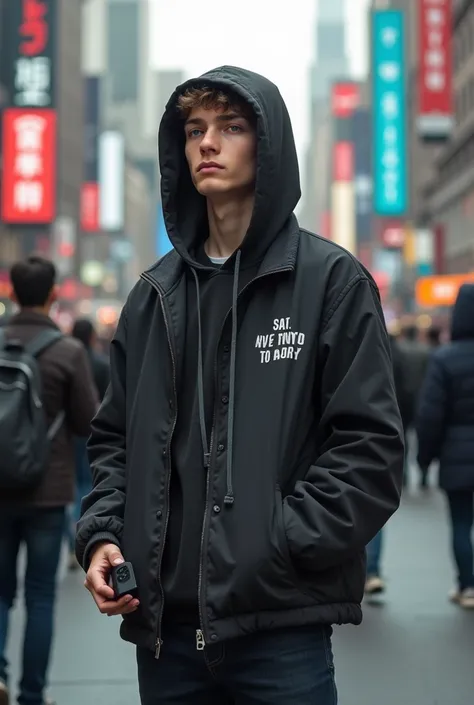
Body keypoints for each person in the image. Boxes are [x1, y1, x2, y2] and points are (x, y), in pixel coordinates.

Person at [76, 67, 404, 705]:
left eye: (230, 127)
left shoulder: (331, 282)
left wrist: (276, 542)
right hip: (165, 635)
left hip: (280, 629)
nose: (207, 143)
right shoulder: (153, 297)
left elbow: (370, 449)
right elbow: (113, 442)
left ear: (269, 145)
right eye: (195, 129)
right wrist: (104, 536)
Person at [0, 257, 98, 705]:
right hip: (47, 489)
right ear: (53, 294)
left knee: (0, 594)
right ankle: (32, 695)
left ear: (13, 293)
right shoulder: (67, 352)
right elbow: (88, 422)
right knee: (40, 596)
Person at [417, 284, 474, 609]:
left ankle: (468, 586)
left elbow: (431, 414)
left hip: (457, 454)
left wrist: (425, 459)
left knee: (461, 523)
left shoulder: (445, 359)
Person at [66, 318, 109, 570]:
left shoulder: (66, 358)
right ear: (92, 337)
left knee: (71, 489)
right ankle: (81, 533)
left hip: (68, 435)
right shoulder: (102, 365)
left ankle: (73, 536)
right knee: (86, 484)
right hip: (94, 433)